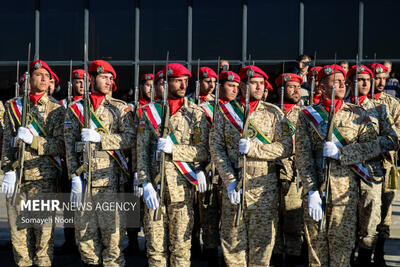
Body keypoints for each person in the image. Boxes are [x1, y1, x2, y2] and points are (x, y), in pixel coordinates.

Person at [296, 64, 386, 267]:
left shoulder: (358, 114)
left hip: (345, 192)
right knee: (317, 253)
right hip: (317, 191)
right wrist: (311, 191)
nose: (341, 85)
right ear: (321, 87)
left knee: (342, 252)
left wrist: (342, 153)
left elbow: (373, 147)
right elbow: (303, 155)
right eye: (334, 82)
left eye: (343, 82)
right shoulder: (307, 115)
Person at [209, 65, 293, 266]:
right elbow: (216, 147)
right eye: (253, 83)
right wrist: (229, 180)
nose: (258, 87)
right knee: (232, 243)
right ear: (242, 86)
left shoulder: (274, 113)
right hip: (234, 187)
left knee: (262, 244)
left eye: (261, 84)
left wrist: (255, 149)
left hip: (263, 188)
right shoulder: (224, 112)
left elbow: (287, 147)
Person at [137, 63, 209, 266]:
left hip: (182, 188)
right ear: (165, 83)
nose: (183, 85)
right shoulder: (149, 112)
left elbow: (202, 151)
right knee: (155, 249)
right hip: (155, 188)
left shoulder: (195, 113)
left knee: (181, 249)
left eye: (186, 81)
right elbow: (141, 151)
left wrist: (174, 150)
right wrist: (145, 183)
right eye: (178, 81)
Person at [65, 59, 135, 266]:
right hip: (85, 182)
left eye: (111, 78)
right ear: (92, 79)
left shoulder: (120, 108)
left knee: (113, 241)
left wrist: (101, 139)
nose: (108, 82)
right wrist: (74, 177)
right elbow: (69, 145)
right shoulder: (75, 108)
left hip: (110, 182)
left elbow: (130, 138)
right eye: (104, 77)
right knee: (85, 242)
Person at [1, 59, 65, 266]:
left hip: (43, 179)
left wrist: (34, 140)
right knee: (18, 236)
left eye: (48, 76)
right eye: (39, 75)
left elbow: (61, 146)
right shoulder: (13, 106)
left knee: (43, 236)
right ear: (28, 80)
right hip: (18, 178)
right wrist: (8, 170)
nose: (45, 78)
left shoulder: (57, 109)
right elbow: (7, 143)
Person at [347, 64, 398, 265]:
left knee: (372, 221)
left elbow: (392, 139)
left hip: (372, 173)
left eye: (368, 79)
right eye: (361, 79)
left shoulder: (380, 109)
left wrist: (365, 149)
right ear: (350, 82)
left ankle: (368, 258)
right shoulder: (340, 108)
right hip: (344, 175)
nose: (367, 83)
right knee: (347, 222)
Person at [368, 62, 400, 266]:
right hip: (363, 164)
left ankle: (379, 252)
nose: (380, 82)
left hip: (386, 163)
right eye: (376, 78)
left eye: (383, 79)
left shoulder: (392, 103)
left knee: (385, 209)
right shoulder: (358, 102)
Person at [273, 73, 306, 266]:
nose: (296, 91)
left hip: (295, 175)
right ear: (281, 90)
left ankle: (295, 257)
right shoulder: (271, 111)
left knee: (294, 220)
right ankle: (276, 256)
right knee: (273, 220)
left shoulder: (306, 113)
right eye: (291, 87)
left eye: (297, 87)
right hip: (272, 173)